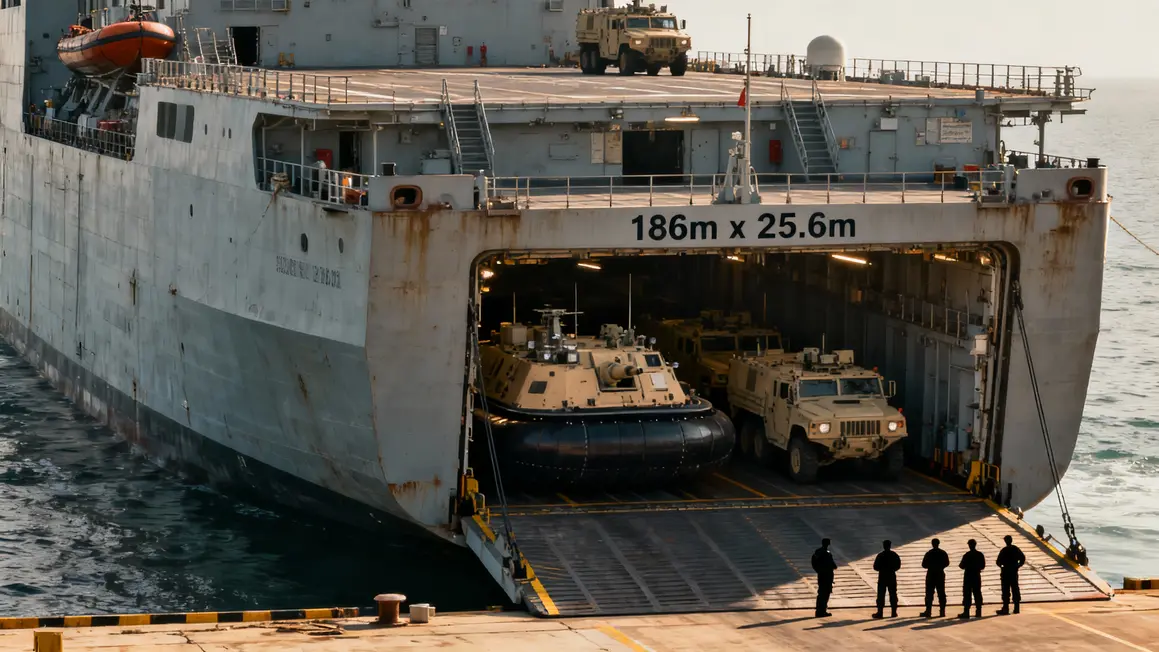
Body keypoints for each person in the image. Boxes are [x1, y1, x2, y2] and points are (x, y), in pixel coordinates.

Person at [995, 534, 1026, 615]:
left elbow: (998, 562)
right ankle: (1016, 608)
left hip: (1005, 573)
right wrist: (1018, 566)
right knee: (1015, 589)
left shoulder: (1004, 550)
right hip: (1013, 572)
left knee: (1005, 591)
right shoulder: (1015, 549)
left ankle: (1005, 608)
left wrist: (1002, 567)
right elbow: (1022, 558)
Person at [919, 538, 950, 618]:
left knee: (929, 593)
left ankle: (928, 611)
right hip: (940, 573)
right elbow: (947, 563)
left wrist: (931, 566)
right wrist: (940, 566)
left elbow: (924, 565)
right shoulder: (943, 553)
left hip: (931, 574)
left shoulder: (929, 553)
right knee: (941, 593)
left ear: (932, 544)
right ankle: (942, 611)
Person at [872, 540, 901, 619]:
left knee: (881, 595)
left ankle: (880, 612)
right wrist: (892, 569)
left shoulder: (880, 555)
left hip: (883, 577)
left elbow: (875, 567)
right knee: (893, 594)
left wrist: (882, 569)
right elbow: (898, 565)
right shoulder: (894, 555)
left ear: (884, 546)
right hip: (891, 576)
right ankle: (894, 612)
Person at [958, 539, 986, 619]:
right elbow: (983, 566)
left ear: (969, 545)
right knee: (977, 593)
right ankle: (978, 611)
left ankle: (966, 612)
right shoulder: (980, 554)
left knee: (967, 594)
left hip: (968, 576)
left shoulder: (967, 555)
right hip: (976, 576)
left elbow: (961, 566)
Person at [811, 538, 838, 617]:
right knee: (824, 594)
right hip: (826, 576)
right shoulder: (825, 553)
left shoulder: (818, 552)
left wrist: (818, 570)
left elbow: (813, 562)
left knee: (822, 593)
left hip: (823, 575)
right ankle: (821, 611)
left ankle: (820, 610)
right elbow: (833, 565)